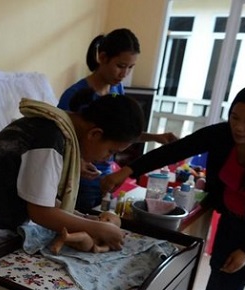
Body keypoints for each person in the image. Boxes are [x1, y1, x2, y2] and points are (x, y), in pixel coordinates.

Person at [101, 87, 245, 290]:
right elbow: (177, 150)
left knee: (232, 286)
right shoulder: (222, 135)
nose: (239, 127)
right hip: (230, 217)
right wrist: (128, 170)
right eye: (235, 117)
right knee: (218, 265)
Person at [0, 93, 145, 256]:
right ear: (94, 134)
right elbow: (41, 212)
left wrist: (85, 220)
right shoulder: (49, 139)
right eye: (110, 151)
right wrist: (97, 228)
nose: (106, 159)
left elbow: (42, 198)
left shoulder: (53, 128)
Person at [58, 28, 177, 212]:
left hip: (106, 177)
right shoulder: (75, 95)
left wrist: (155, 137)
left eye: (130, 67)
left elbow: (121, 134)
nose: (124, 74)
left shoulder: (117, 90)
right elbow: (59, 138)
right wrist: (78, 161)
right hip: (79, 181)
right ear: (103, 57)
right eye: (121, 66)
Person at [49, 211, 121, 254]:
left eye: (107, 220)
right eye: (100, 217)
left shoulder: (109, 236)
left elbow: (107, 247)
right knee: (67, 234)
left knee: (84, 235)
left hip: (87, 245)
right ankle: (58, 246)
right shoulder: (93, 224)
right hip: (76, 240)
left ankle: (67, 237)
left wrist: (99, 249)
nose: (101, 219)